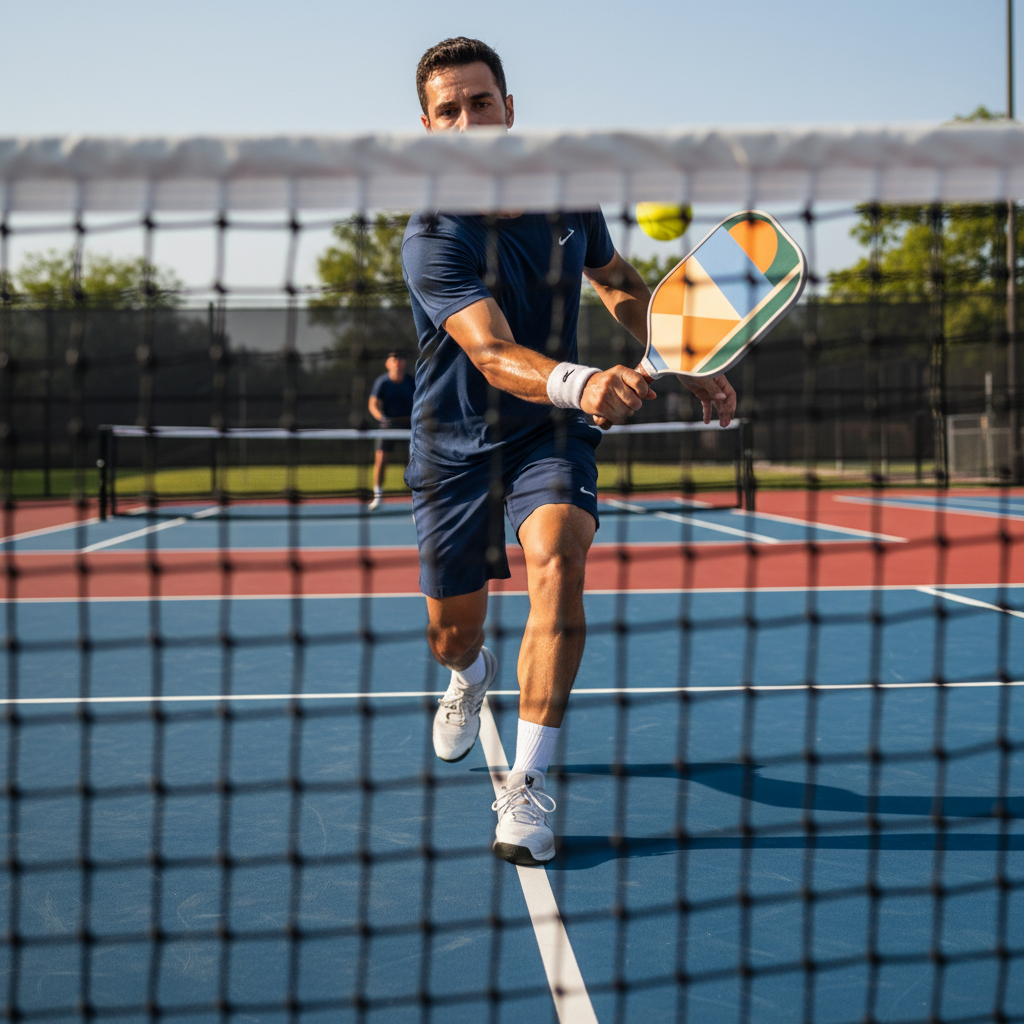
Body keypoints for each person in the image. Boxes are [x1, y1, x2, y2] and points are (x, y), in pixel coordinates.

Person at [402, 37, 737, 865]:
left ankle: (527, 784)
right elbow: (491, 353)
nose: (470, 119)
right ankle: (467, 672)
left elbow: (619, 282)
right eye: (451, 109)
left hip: (547, 438)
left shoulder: (566, 200)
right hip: (454, 448)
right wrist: (585, 381)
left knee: (560, 555)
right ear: (428, 127)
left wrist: (686, 356)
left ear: (510, 110)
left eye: (482, 102)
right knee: (450, 633)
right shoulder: (434, 236)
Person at [367, 349, 415, 511]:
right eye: (393, 358)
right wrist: (381, 418)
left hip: (410, 427)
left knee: (415, 462)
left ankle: (417, 500)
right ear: (387, 364)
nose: (397, 361)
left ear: (404, 363)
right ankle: (378, 496)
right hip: (388, 426)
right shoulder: (382, 382)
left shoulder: (412, 381)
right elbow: (373, 404)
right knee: (381, 458)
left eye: (400, 358)